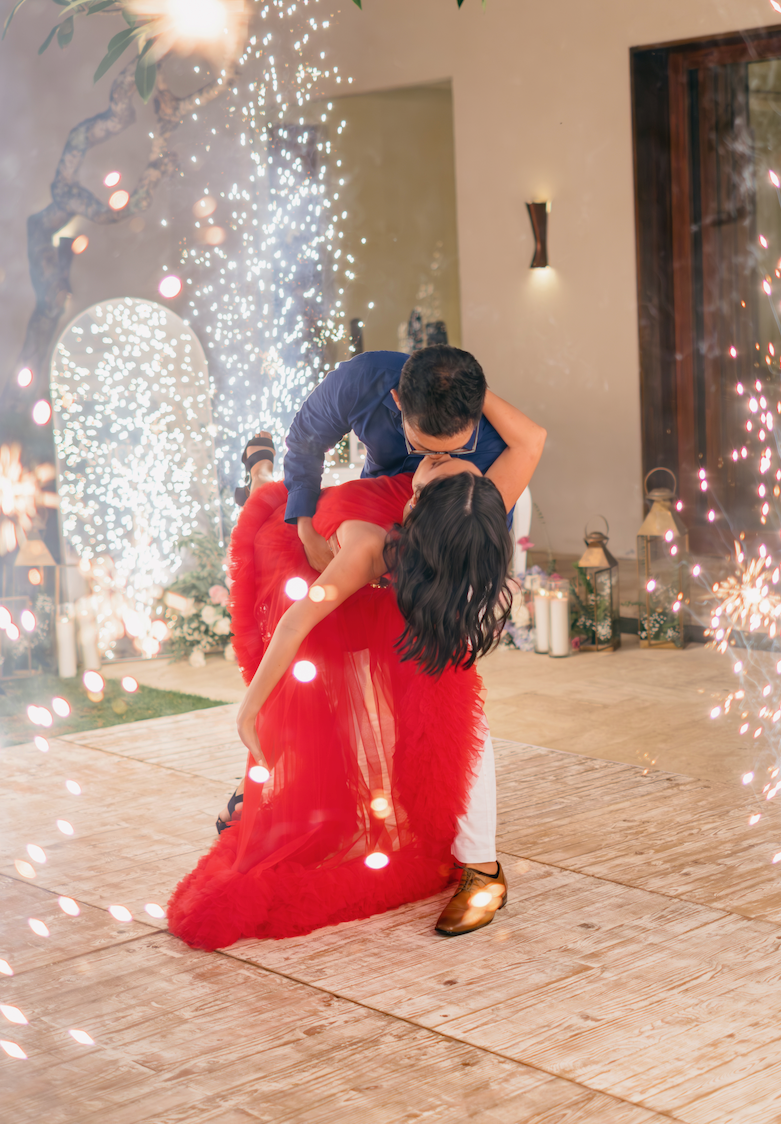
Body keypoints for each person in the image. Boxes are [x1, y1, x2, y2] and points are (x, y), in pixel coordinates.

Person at [167, 391, 546, 949]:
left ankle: (479, 865)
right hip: (302, 549)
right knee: (269, 502)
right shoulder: (394, 529)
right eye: (439, 458)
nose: (437, 460)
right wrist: (251, 710)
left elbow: (529, 443)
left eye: (445, 466)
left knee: (448, 698)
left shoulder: (464, 505)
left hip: (382, 566)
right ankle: (261, 466)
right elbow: (296, 623)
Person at [281, 345, 511, 573]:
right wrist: (305, 528)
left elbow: (477, 537)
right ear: (398, 399)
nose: (436, 458)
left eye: (458, 450)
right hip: (366, 510)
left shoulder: (491, 440)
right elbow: (304, 441)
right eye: (421, 447)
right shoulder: (361, 378)